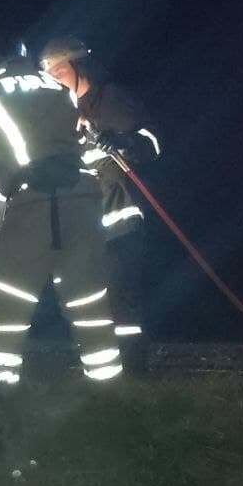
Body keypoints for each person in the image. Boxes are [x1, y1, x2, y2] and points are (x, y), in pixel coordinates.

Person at [0, 38, 123, 385]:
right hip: (82, 200)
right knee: (89, 301)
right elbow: (82, 142)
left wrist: (2, 160)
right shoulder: (54, 87)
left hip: (33, 201)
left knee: (7, 299)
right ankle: (109, 389)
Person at [39, 37, 160, 357]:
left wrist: (121, 142)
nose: (55, 81)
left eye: (60, 72)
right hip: (82, 226)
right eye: (50, 76)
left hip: (119, 220)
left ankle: (132, 365)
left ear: (79, 67)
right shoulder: (60, 115)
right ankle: (98, 363)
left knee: (121, 298)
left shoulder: (110, 99)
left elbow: (151, 142)